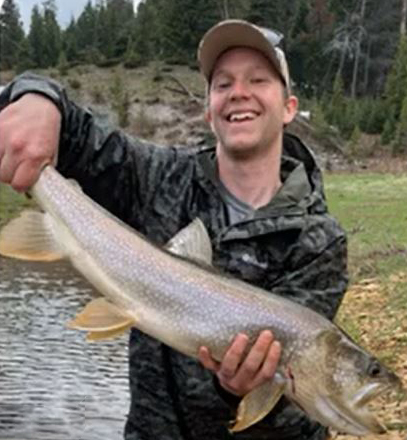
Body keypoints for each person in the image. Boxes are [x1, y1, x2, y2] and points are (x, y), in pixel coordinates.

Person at [0, 19, 347, 440]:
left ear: (290, 106)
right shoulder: (157, 178)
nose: (239, 92)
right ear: (208, 111)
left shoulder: (320, 240)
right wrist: (37, 95)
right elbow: (74, 132)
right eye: (222, 84)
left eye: (258, 80)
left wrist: (233, 390)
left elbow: (301, 407)